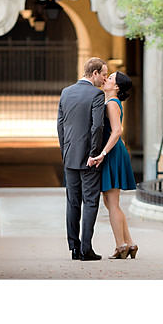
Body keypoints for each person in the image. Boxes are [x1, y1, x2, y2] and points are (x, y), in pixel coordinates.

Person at [57, 56, 107, 261]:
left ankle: (74, 248)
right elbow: (97, 127)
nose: (104, 79)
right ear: (94, 73)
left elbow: (60, 125)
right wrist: (94, 154)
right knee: (91, 202)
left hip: (70, 156)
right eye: (103, 75)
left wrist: (65, 151)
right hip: (89, 159)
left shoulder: (66, 92)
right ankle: (86, 249)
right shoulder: (97, 95)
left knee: (73, 202)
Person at [89, 71, 138, 259]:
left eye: (110, 78)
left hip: (111, 153)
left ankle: (121, 245)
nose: (106, 79)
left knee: (112, 202)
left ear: (116, 87)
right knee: (111, 202)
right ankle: (129, 243)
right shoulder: (111, 102)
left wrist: (102, 153)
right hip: (114, 152)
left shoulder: (111, 103)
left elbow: (117, 131)